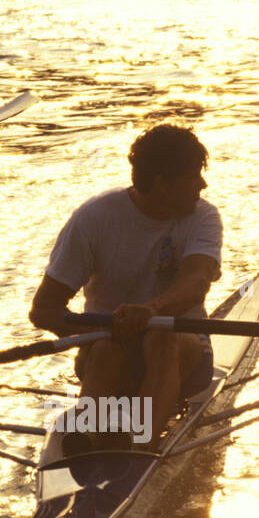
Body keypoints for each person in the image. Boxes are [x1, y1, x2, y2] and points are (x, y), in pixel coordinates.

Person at [29, 124, 222, 452]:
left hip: (185, 351)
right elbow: (44, 310)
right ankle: (88, 436)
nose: (202, 185)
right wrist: (110, 330)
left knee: (161, 337)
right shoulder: (94, 218)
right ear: (162, 184)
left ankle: (139, 444)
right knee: (106, 348)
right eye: (193, 176)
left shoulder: (203, 217)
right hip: (106, 353)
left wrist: (150, 312)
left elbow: (196, 283)